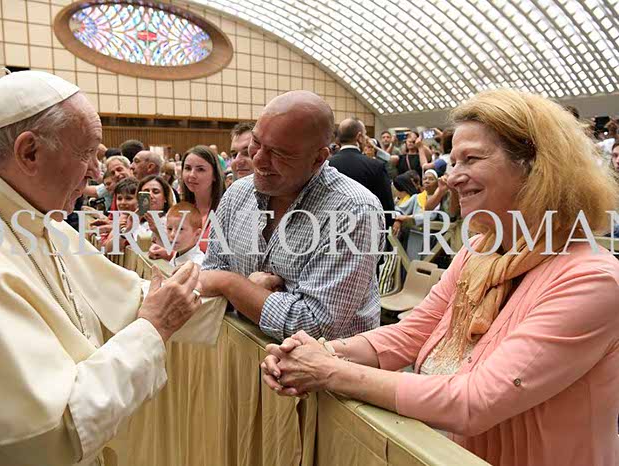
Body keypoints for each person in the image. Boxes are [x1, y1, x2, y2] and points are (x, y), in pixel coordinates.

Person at [260, 88, 619, 466]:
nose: (452, 177)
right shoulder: (480, 251)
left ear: (536, 166)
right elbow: (412, 332)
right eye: (453, 160)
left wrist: (330, 371)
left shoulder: (592, 281)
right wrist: (325, 351)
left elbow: (474, 400)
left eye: (471, 159)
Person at [0, 71, 203, 466]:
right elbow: (52, 433)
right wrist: (152, 330)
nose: (96, 173)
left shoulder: (32, 213)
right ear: (29, 152)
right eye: (87, 154)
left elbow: (126, 294)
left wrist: (226, 289)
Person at [200, 91, 385, 341]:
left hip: (324, 365)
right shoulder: (237, 194)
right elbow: (210, 273)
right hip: (241, 354)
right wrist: (249, 291)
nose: (258, 160)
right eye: (256, 142)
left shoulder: (354, 211)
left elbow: (314, 325)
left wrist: (232, 285)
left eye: (279, 153)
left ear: (318, 158)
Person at [328, 117, 395, 223]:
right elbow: (386, 205)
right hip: (367, 223)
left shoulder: (327, 165)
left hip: (332, 223)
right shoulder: (375, 166)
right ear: (359, 137)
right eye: (364, 135)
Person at [178, 145, 224, 253]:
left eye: (200, 169)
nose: (192, 175)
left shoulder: (225, 212)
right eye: (188, 168)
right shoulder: (182, 210)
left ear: (215, 175)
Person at [165, 202, 206, 267]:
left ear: (197, 234)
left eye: (180, 229)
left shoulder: (199, 264)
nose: (172, 234)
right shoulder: (178, 254)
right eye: (169, 229)